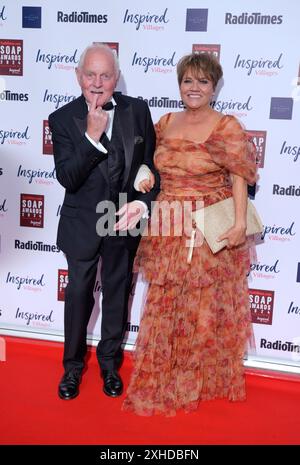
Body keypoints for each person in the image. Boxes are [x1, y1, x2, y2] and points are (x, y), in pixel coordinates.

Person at [123, 52, 258, 416]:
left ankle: (194, 378)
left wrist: (240, 224)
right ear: (179, 84)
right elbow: (150, 165)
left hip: (208, 222)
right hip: (168, 223)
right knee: (166, 300)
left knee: (201, 305)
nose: (193, 88)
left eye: (202, 81)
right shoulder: (165, 122)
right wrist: (146, 179)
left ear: (214, 87)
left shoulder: (226, 125)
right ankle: (165, 372)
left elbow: (239, 176)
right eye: (187, 81)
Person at [49, 43, 159, 400]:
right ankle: (72, 368)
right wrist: (91, 138)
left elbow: (151, 168)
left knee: (116, 297)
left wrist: (143, 204)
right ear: (79, 76)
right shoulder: (63, 119)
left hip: (123, 221)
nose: (97, 82)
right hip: (83, 226)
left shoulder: (138, 111)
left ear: (116, 77)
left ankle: (110, 365)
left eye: (106, 75)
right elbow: (68, 177)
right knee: (79, 298)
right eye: (91, 74)